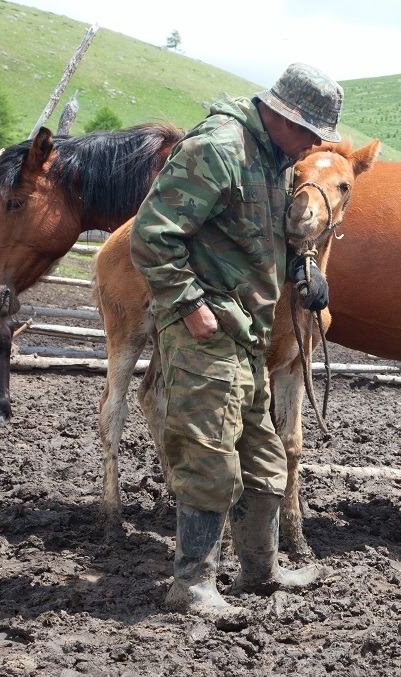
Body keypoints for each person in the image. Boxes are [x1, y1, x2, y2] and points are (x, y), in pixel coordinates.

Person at [130, 63, 342, 620]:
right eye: (311, 131)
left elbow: (260, 237)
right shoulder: (219, 148)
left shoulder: (273, 161)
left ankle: (260, 568)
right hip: (206, 334)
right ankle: (192, 585)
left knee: (265, 457)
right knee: (209, 458)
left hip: (247, 331)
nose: (316, 143)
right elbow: (153, 236)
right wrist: (190, 304)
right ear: (282, 115)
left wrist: (303, 265)